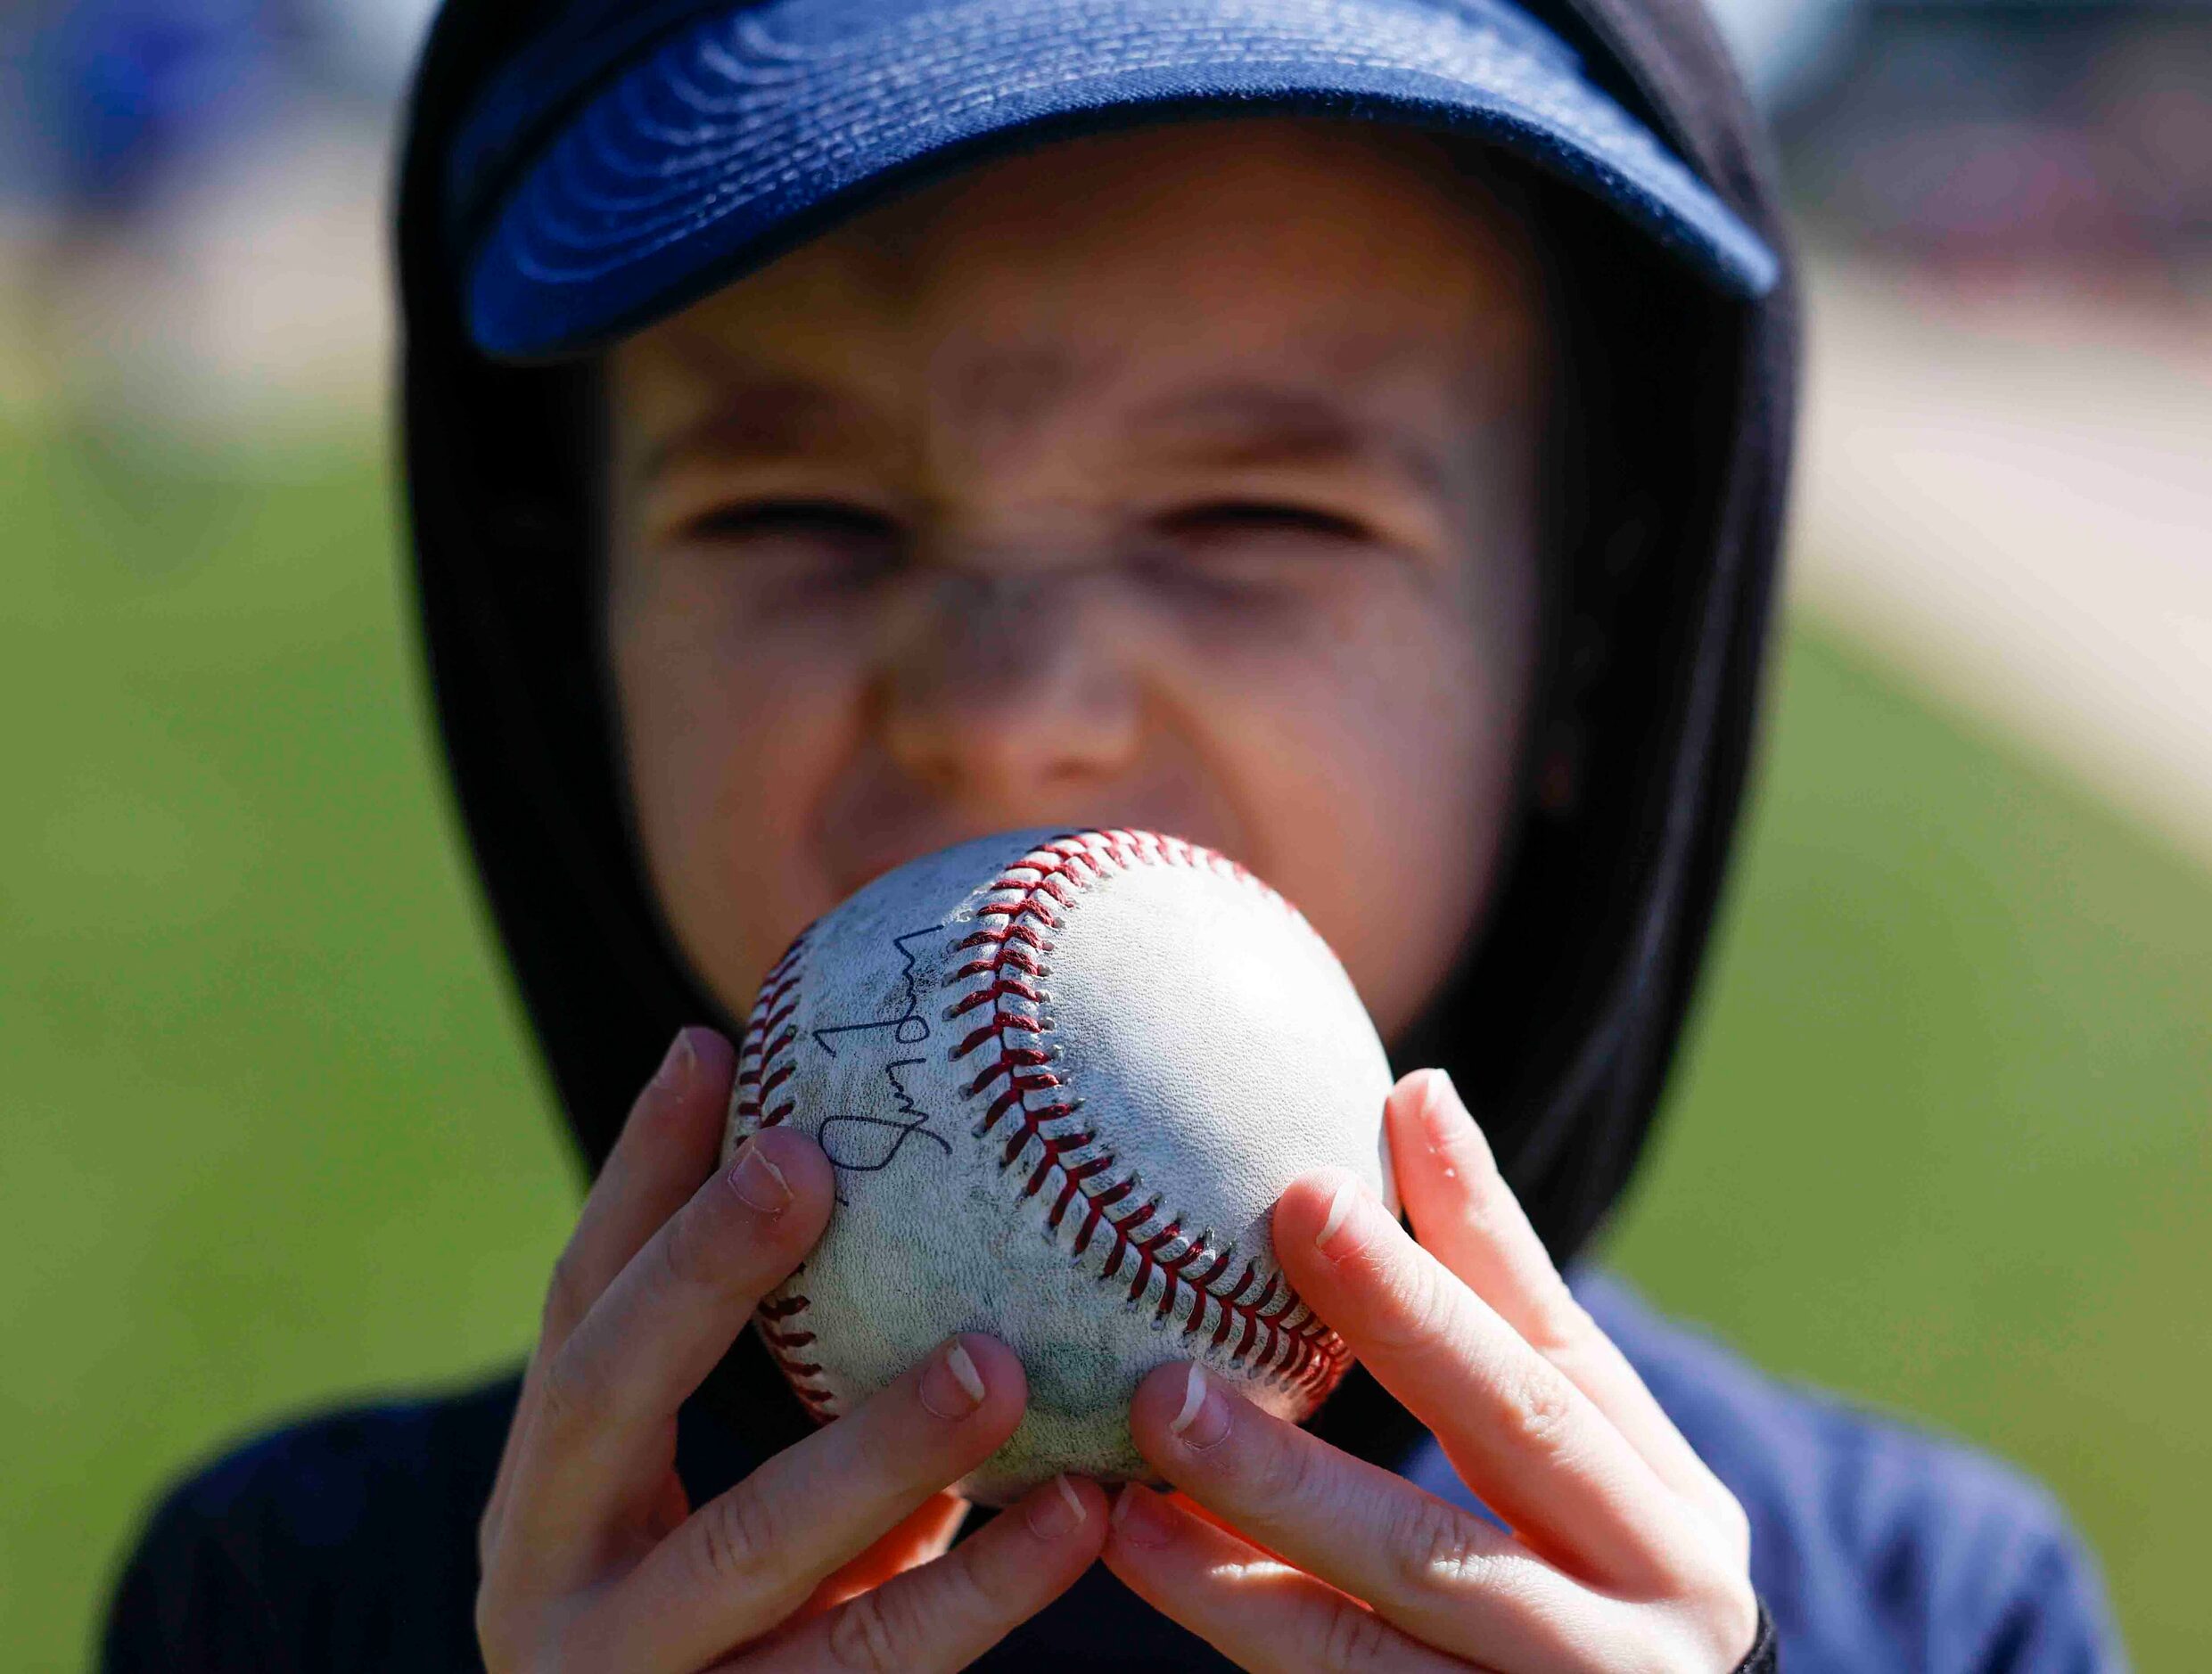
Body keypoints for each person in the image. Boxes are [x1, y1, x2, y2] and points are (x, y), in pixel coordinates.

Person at [100, 0, 2128, 1669]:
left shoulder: (1929, 1613)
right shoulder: (290, 1604)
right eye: (797, 512)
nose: (1003, 715)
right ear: (569, 637)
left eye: (1255, 516)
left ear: (1585, 664)